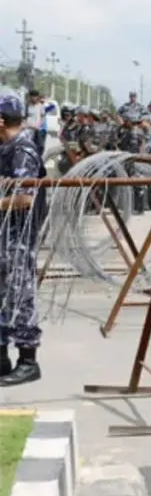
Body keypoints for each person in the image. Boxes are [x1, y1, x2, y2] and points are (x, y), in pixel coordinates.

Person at [0, 95, 46, 387]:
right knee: (3, 297)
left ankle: (28, 361)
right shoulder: (5, 148)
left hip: (17, 237)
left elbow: (25, 199)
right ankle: (2, 358)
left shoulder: (23, 150)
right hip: (4, 236)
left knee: (20, 296)